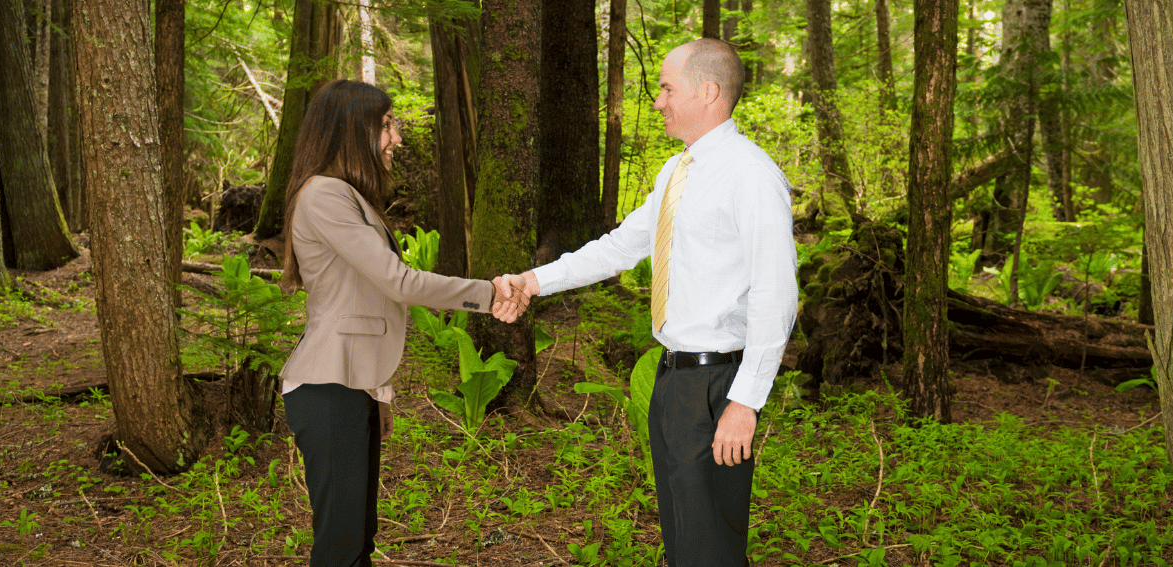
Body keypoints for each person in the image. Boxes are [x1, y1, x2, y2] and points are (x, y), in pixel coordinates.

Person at [496, 39, 797, 565]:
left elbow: (777, 292)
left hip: (717, 386)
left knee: (711, 550)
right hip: (672, 381)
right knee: (684, 542)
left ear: (708, 92)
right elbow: (621, 246)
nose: (657, 101)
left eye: (666, 88)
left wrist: (745, 401)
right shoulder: (677, 171)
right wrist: (534, 280)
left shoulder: (750, 175)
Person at [276, 79, 527, 567]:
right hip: (327, 390)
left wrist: (378, 393)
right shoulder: (325, 195)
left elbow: (365, 305)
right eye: (387, 124)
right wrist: (487, 292)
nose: (396, 138)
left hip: (351, 386)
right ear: (353, 129)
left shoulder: (348, 196)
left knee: (358, 539)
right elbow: (400, 283)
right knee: (341, 546)